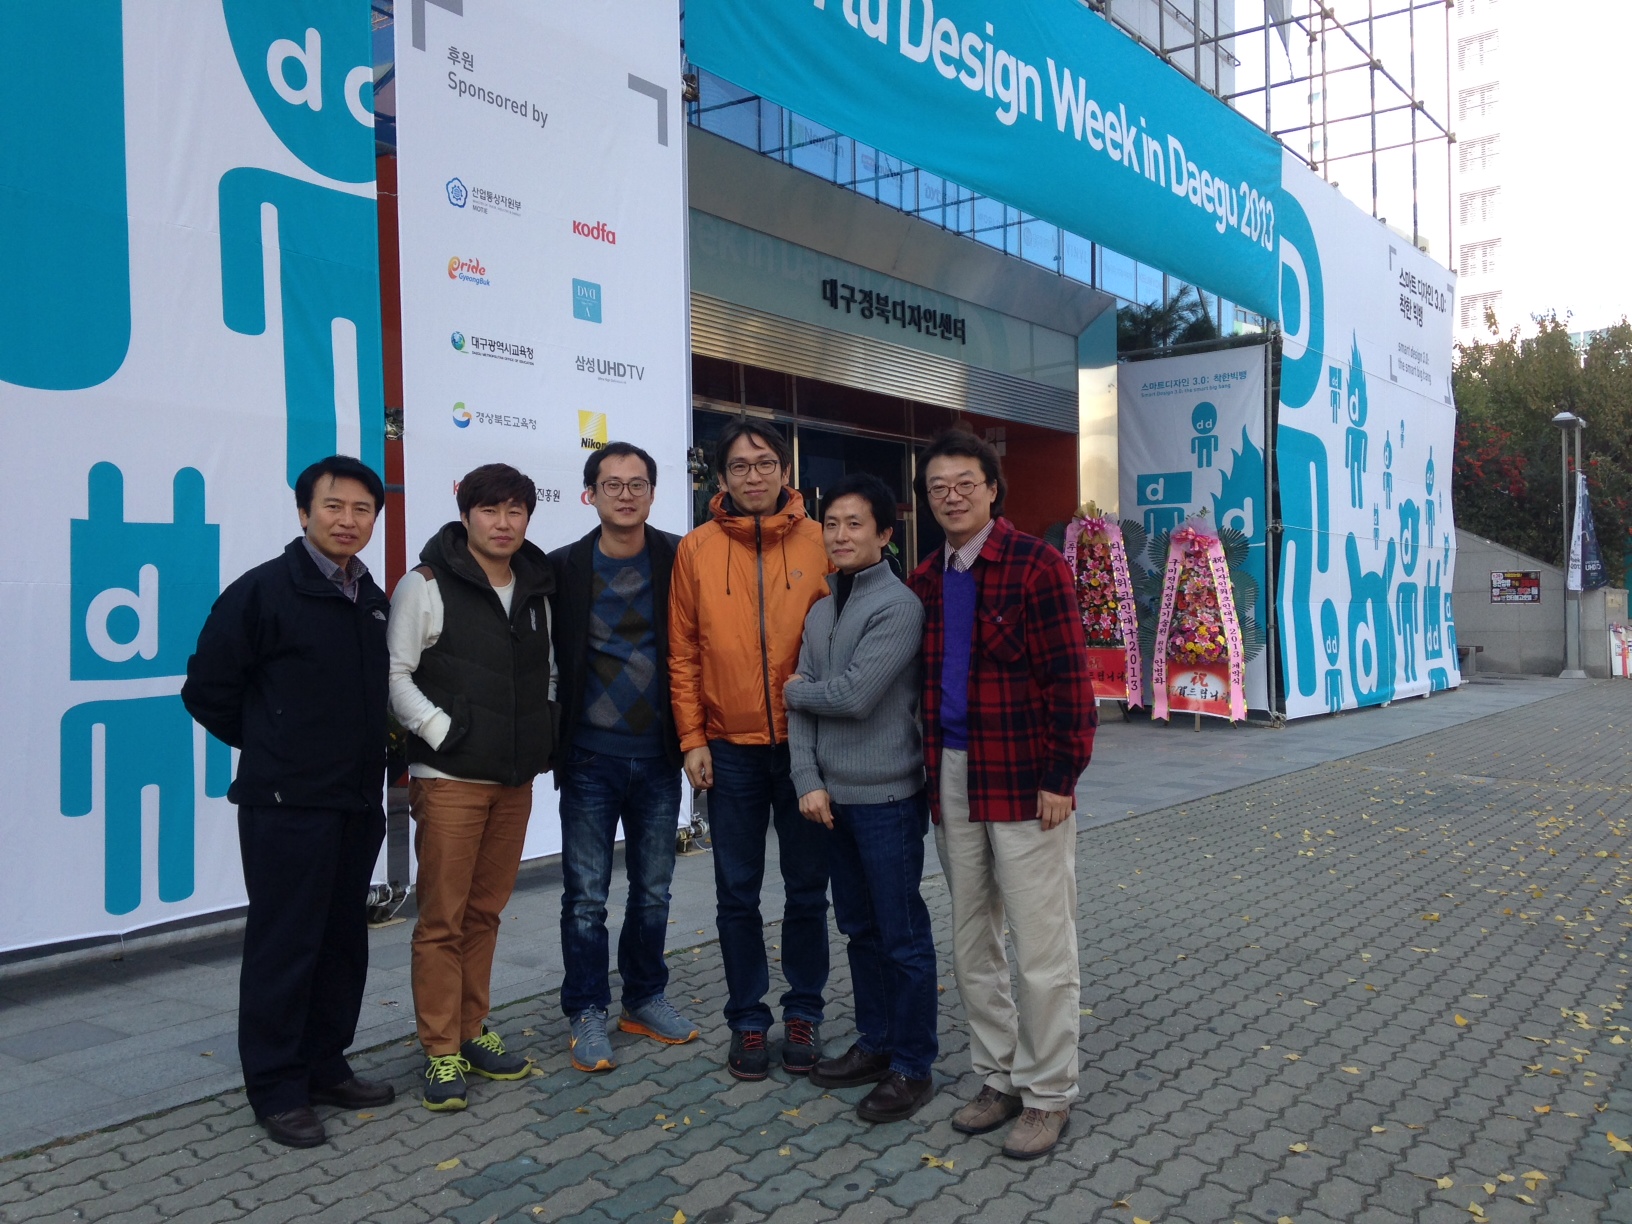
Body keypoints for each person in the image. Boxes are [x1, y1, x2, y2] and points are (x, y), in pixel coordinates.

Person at [182, 456, 396, 1149]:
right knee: (286, 945)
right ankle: (276, 1088)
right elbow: (206, 690)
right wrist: (276, 746)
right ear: (304, 513)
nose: (348, 520)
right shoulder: (263, 592)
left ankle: (325, 1065)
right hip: (286, 804)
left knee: (341, 941)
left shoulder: (371, 598)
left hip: (355, 802)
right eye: (333, 506)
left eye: (362, 509)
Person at [907, 429, 1096, 1161]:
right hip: (952, 774)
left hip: (1024, 775)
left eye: (965, 483)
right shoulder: (927, 577)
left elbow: (1070, 680)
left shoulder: (1036, 565)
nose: (951, 496)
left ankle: (1049, 1092)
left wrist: (1061, 777)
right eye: (938, 487)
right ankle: (999, 1076)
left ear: (992, 488)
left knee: (1042, 945)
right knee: (971, 940)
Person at [386, 463, 557, 1111]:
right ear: (466, 515)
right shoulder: (425, 584)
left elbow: (549, 675)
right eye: (490, 510)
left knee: (484, 913)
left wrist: (542, 737)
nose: (503, 523)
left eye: (515, 511)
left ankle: (470, 1027)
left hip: (513, 780)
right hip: (449, 779)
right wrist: (442, 732)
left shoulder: (536, 587)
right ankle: (439, 1051)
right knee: (442, 919)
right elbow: (395, 675)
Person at [669, 418, 832, 1080]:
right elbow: (683, 652)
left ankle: (805, 1011)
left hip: (805, 747)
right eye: (739, 466)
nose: (754, 475)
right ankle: (747, 1019)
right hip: (728, 749)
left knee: (807, 889)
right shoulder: (697, 549)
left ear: (786, 471)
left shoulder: (822, 541)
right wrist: (692, 739)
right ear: (722, 477)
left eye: (765, 463)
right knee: (736, 892)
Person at [785, 474, 937, 1123]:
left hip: (887, 801)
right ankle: (875, 1044)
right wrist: (807, 780)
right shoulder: (821, 609)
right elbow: (804, 712)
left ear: (884, 534)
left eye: (855, 524)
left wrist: (794, 689)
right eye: (832, 524)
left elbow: (851, 695)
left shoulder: (899, 607)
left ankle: (913, 1065)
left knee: (901, 936)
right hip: (832, 801)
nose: (841, 535)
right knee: (858, 930)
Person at [548, 442, 697, 1074]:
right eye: (612, 484)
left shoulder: (678, 557)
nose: (626, 494)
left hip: (659, 755)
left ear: (653, 494)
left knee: (653, 889)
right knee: (586, 895)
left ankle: (644, 997)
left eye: (638, 484)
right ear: (591, 494)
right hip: (591, 756)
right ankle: (586, 1009)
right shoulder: (562, 567)